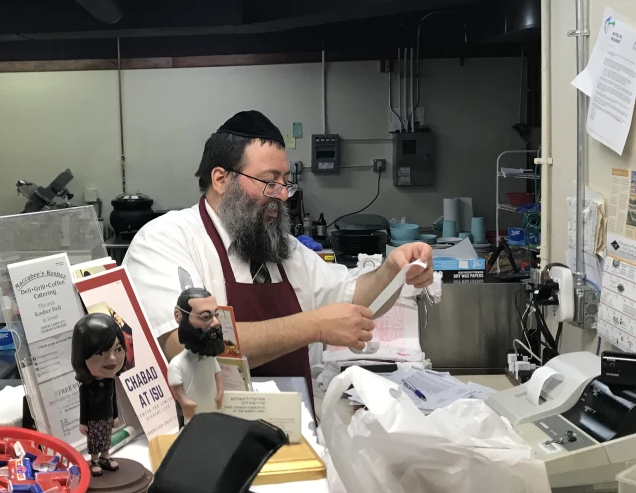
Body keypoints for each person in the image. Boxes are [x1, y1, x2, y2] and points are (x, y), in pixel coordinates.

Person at [124, 110, 434, 401]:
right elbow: (185, 343)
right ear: (221, 179)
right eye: (269, 182)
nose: (283, 195)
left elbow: (353, 299)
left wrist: (392, 270)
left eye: (285, 182)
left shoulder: (282, 248)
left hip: (296, 429)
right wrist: (313, 326)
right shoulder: (167, 239)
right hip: (210, 427)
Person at [72, 313, 126, 477]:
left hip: (107, 417)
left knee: (106, 438)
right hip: (93, 420)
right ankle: (94, 460)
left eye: (118, 349)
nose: (112, 359)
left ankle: (105, 457)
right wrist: (83, 423)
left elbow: (113, 399)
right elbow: (84, 406)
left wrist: (115, 415)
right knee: (95, 440)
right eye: (101, 353)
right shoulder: (86, 387)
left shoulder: (110, 382)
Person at [168, 289, 225, 422]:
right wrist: (184, 401)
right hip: (193, 410)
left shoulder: (210, 358)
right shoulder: (177, 363)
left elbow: (217, 374)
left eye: (217, 315)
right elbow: (176, 386)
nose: (216, 323)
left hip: (212, 405)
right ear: (179, 316)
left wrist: (220, 391)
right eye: (205, 317)